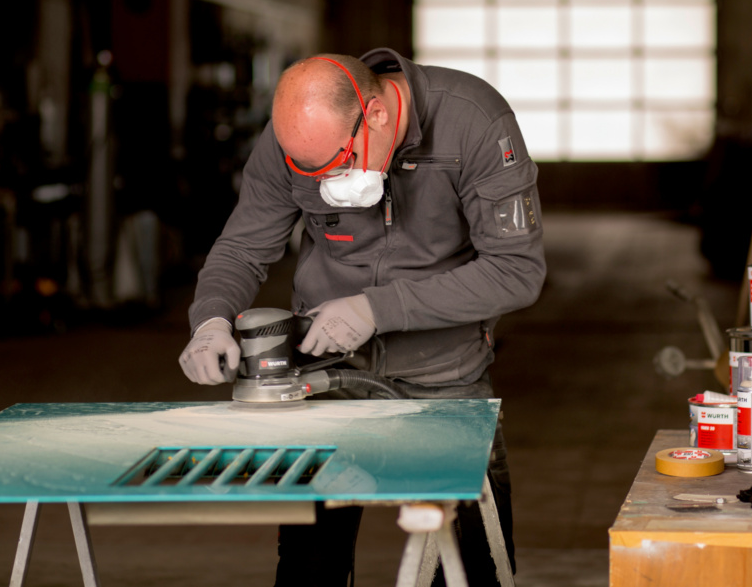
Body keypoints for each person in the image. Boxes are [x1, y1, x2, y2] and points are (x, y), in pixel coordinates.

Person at [179, 48, 546, 586]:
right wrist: (210, 319)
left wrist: (379, 308)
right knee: (308, 567)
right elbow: (242, 249)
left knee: (472, 569)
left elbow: (516, 271)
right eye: (311, 172)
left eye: (338, 165)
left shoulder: (473, 120)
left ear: (375, 114)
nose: (326, 183)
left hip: (442, 375)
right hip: (324, 371)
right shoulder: (295, 138)